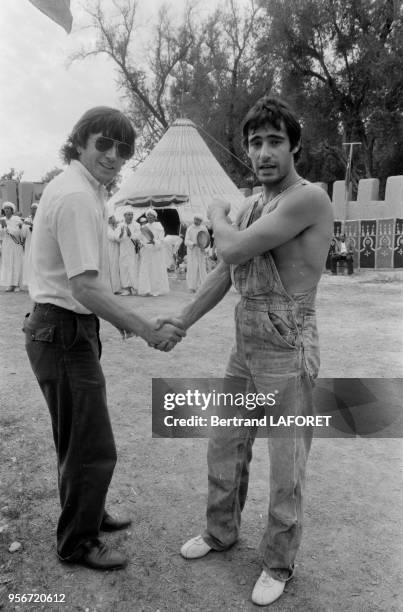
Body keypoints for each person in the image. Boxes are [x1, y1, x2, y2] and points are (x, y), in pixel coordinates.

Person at [162, 97, 333, 606]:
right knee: (226, 443)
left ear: (294, 145)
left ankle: (279, 564)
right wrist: (181, 323)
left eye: (274, 141)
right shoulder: (255, 206)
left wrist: (215, 212)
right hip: (247, 344)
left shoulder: (309, 199)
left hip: (288, 344)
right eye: (255, 143)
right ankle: (220, 532)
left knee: (287, 463)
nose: (263, 152)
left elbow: (232, 249)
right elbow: (226, 273)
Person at [23, 106, 186, 571]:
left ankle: (87, 514)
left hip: (66, 327)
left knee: (77, 438)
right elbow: (83, 285)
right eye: (103, 144)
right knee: (92, 444)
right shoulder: (75, 195)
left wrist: (110, 318)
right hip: (63, 330)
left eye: (123, 149)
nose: (113, 156)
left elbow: (86, 285)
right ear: (79, 141)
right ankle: (78, 542)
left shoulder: (84, 190)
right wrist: (143, 326)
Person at [137, 209, 170, 296]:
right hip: (147, 251)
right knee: (146, 270)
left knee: (155, 270)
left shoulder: (159, 227)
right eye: (148, 216)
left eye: (152, 215)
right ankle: (146, 289)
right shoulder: (144, 227)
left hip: (156, 252)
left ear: (155, 217)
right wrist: (141, 243)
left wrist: (154, 242)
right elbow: (140, 238)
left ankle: (156, 290)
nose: (150, 217)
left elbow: (161, 240)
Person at [0, 201, 24, 292]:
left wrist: (7, 227)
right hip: (6, 244)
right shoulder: (2, 219)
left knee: (16, 263)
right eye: (5, 209)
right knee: (8, 263)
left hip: (15, 244)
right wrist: (3, 227)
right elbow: (1, 234)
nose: (6, 210)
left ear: (12, 210)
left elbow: (17, 233)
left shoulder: (17, 219)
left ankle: (17, 284)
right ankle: (10, 284)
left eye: (8, 209)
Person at [117, 208, 141, 296]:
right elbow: (117, 238)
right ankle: (127, 289)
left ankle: (135, 287)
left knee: (133, 268)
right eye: (128, 214)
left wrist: (131, 234)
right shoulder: (120, 225)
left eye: (131, 214)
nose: (130, 216)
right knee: (124, 268)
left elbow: (139, 236)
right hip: (123, 250)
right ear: (124, 216)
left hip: (132, 250)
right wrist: (120, 234)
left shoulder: (137, 225)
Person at [184, 214, 209, 292]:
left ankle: (203, 286)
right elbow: (186, 241)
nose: (197, 221)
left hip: (201, 252)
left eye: (198, 220)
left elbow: (207, 240)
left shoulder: (204, 228)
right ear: (194, 219)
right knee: (192, 269)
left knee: (202, 269)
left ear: (201, 221)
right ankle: (192, 287)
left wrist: (205, 249)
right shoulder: (190, 228)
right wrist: (193, 244)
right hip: (193, 252)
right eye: (196, 219)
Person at [22, 202, 39, 288]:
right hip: (29, 243)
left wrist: (32, 225)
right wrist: (23, 226)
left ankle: (37, 282)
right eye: (32, 208)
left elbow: (41, 230)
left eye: (35, 208)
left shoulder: (40, 219)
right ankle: (29, 282)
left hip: (38, 244)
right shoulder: (27, 219)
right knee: (28, 262)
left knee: (37, 262)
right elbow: (24, 234)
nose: (33, 210)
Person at [106, 214, 123, 294]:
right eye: (113, 218)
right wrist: (117, 230)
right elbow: (113, 237)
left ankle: (116, 288)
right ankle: (113, 289)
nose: (115, 219)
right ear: (109, 219)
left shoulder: (112, 228)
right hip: (110, 250)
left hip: (115, 250)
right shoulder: (107, 228)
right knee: (113, 268)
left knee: (115, 268)